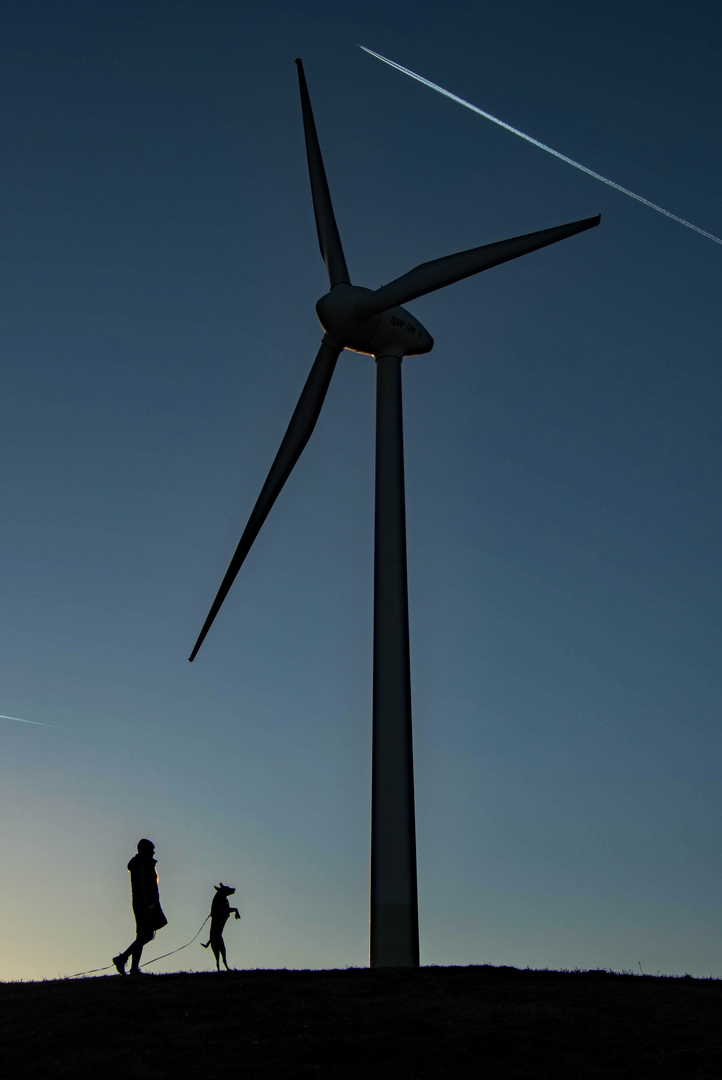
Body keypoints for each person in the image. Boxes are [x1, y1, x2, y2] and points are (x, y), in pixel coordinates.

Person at [113, 838, 167, 975]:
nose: (154, 853)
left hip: (143, 903)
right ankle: (124, 960)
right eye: (151, 850)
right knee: (145, 935)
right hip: (144, 904)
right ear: (145, 850)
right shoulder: (142, 864)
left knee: (144, 935)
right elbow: (145, 886)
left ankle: (130, 965)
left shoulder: (142, 864)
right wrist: (151, 905)